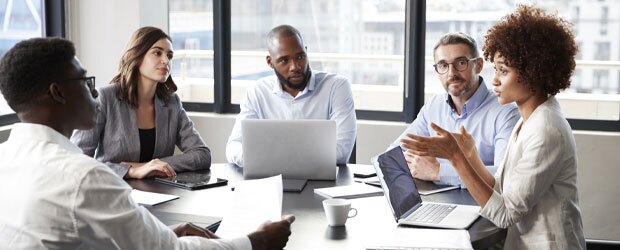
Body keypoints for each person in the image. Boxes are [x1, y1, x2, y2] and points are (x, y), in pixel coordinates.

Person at [0, 37, 294, 250]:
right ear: (58, 93)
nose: (92, 91)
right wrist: (258, 241)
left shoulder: (6, 157)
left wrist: (160, 234)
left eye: (170, 55)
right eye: (84, 81)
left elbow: (72, 233)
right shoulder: (84, 177)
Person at [401, 5, 586, 249]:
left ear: (534, 74)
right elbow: (501, 186)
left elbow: (505, 214)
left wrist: (456, 158)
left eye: (504, 71)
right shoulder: (529, 119)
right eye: (496, 69)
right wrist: (470, 156)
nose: (495, 79)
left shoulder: (546, 129)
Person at [71, 26, 210, 179]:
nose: (166, 61)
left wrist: (153, 165)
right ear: (137, 57)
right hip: (113, 191)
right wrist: (131, 170)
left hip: (162, 194)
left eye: (169, 56)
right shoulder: (104, 97)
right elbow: (77, 161)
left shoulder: (172, 102)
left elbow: (202, 154)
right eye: (157, 53)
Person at [388, 32, 519, 187]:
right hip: (435, 202)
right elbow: (393, 155)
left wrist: (438, 172)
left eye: (461, 63)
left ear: (478, 65)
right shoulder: (434, 106)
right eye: (443, 65)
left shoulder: (506, 112)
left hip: (482, 207)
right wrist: (413, 164)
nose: (451, 73)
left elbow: (503, 177)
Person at [226, 24, 357, 167]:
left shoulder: (336, 87)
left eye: (300, 57)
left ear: (306, 52)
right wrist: (251, 158)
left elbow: (341, 152)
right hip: (271, 180)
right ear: (270, 62)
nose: (295, 67)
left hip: (322, 183)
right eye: (284, 60)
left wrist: (268, 159)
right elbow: (234, 145)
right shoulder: (257, 92)